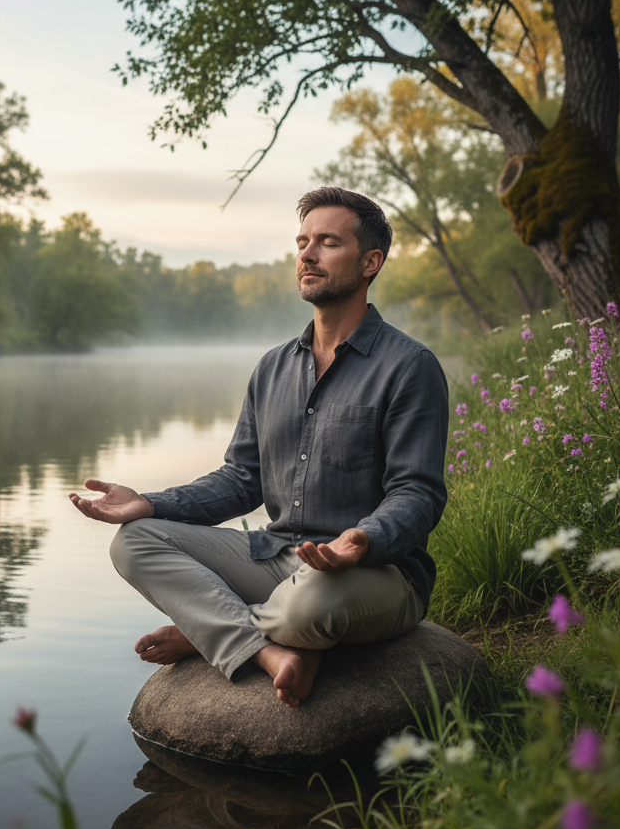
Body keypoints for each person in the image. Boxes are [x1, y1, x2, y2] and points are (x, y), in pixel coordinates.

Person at [69, 187, 449, 707]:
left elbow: (417, 493)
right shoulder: (272, 368)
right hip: (276, 557)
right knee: (133, 541)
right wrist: (150, 504)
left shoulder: (409, 366)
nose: (308, 255)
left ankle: (210, 634)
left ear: (370, 263)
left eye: (328, 243)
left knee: (308, 606)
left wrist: (362, 539)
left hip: (370, 573)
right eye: (302, 242)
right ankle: (268, 649)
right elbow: (241, 479)